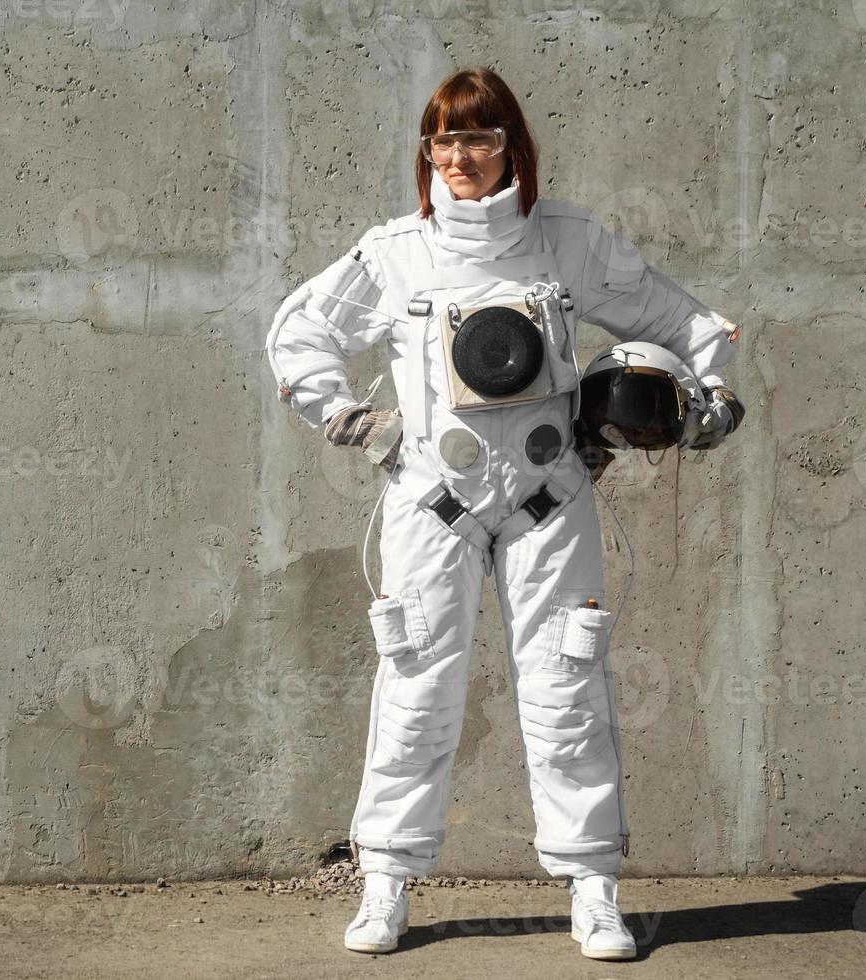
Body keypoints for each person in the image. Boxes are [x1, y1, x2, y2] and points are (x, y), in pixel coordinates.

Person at [264, 67, 744, 961]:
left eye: (478, 139)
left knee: (569, 694)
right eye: (443, 140)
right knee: (414, 692)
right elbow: (298, 336)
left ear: (511, 147)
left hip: (549, 498)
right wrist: (354, 421)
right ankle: (387, 883)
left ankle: (594, 890)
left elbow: (683, 320)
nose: (459, 158)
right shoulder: (395, 253)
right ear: (427, 152)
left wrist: (711, 392)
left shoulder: (566, 243)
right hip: (429, 502)